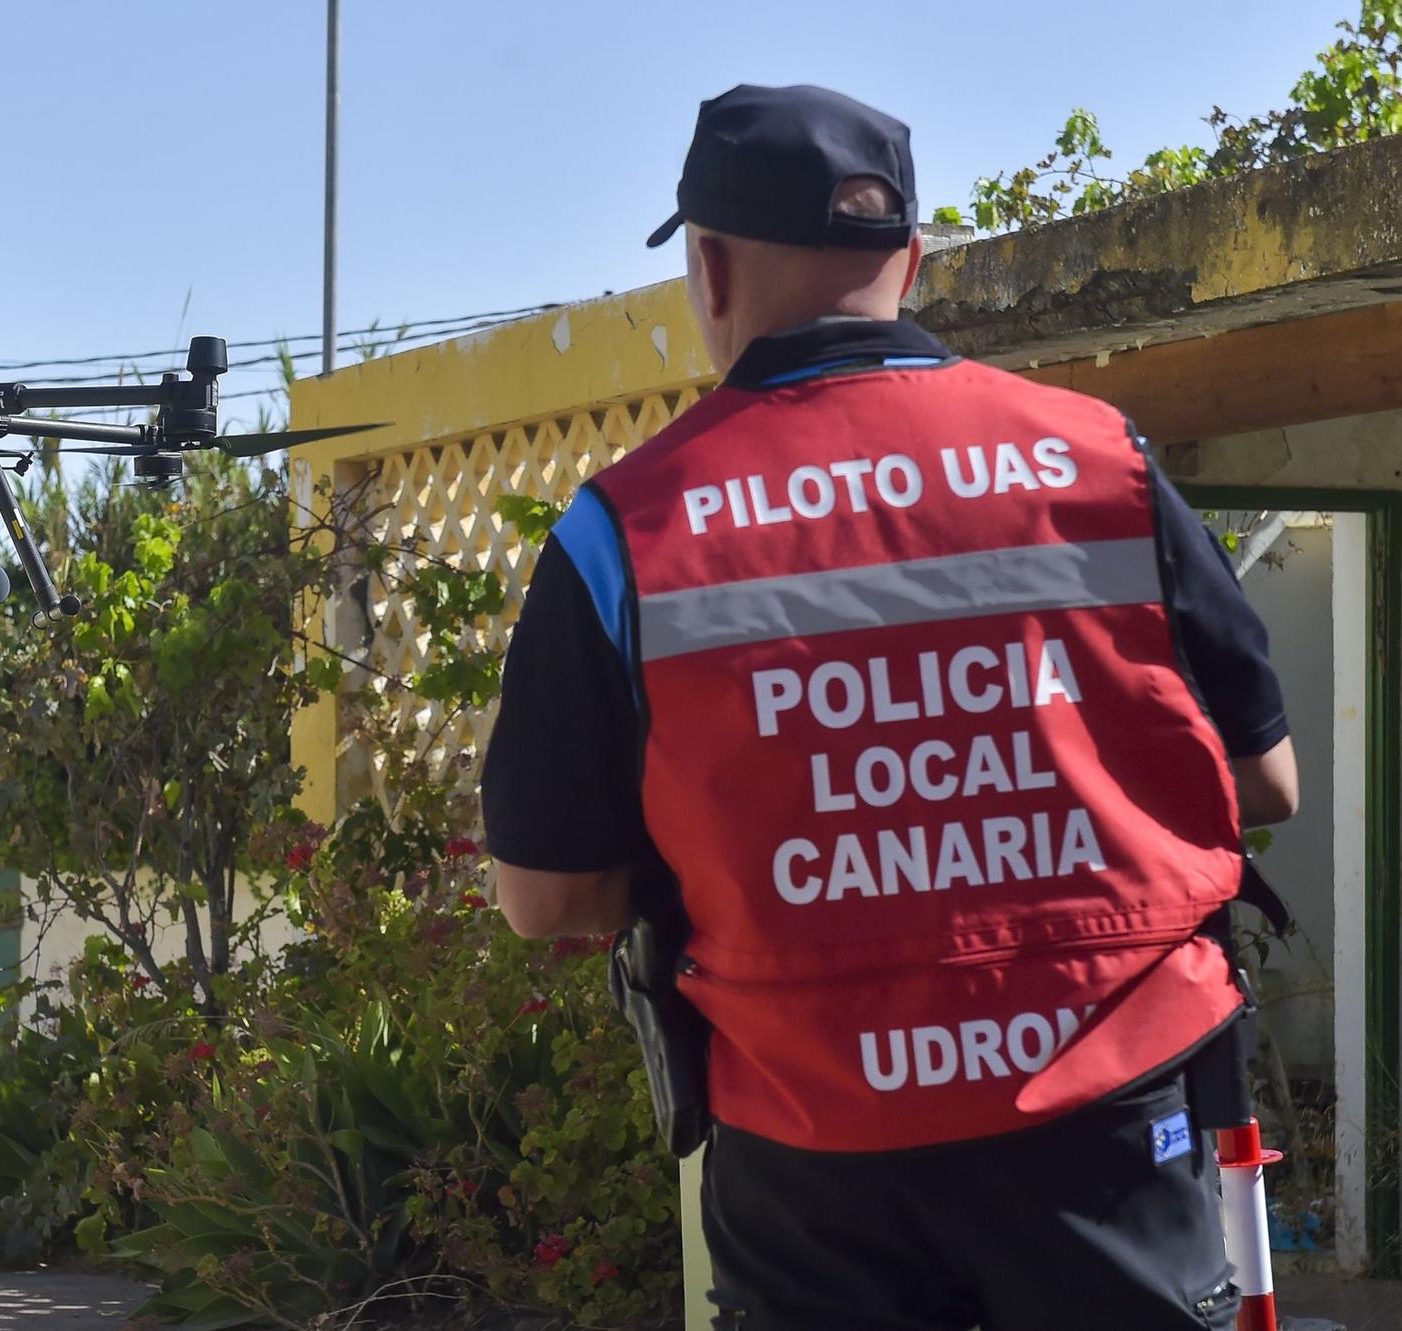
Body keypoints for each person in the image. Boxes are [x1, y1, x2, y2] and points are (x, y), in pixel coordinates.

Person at [481, 83, 1299, 1331]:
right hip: (1113, 1108)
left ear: (706, 268)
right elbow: (1263, 782)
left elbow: (547, 894)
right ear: (909, 256)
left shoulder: (622, 533)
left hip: (814, 1151)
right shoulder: (1098, 460)